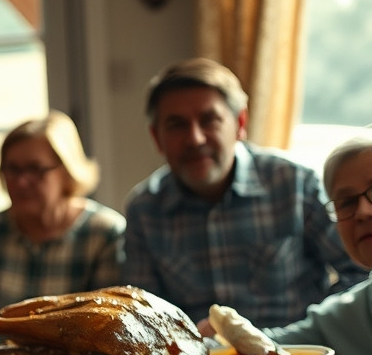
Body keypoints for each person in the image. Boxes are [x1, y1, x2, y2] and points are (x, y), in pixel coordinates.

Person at [122, 58, 366, 327]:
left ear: (240, 122)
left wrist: (313, 331)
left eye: (209, 120)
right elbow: (143, 315)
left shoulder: (294, 183)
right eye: (177, 125)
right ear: (157, 137)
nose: (195, 138)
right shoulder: (143, 210)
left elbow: (359, 273)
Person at [0, 111, 124, 312]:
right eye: (13, 169)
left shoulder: (104, 232)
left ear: (66, 170)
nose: (21, 182)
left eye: (35, 169)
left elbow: (104, 325)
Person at [263, 136, 372, 355]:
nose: (363, 212)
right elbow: (268, 346)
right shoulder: (344, 316)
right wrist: (223, 330)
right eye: (346, 203)